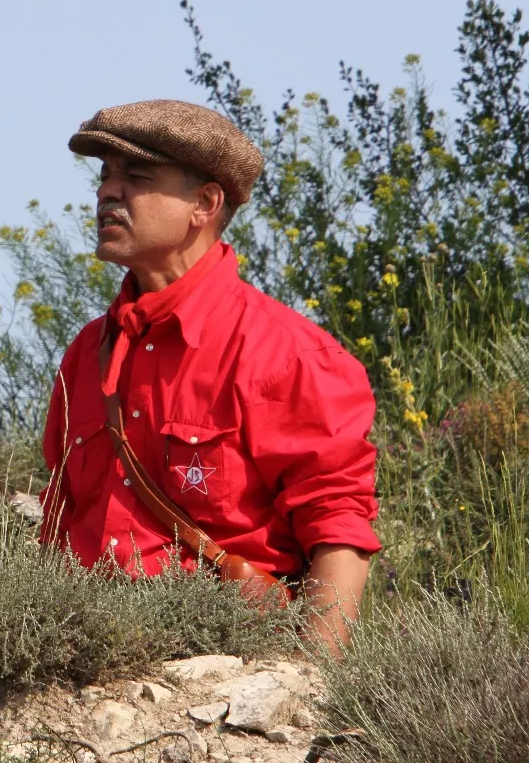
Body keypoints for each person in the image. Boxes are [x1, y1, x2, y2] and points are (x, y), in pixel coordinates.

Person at [38, 99, 379, 651]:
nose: (107, 192)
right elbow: (59, 521)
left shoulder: (286, 353)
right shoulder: (85, 354)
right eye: (105, 176)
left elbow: (337, 525)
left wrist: (310, 687)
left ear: (204, 202)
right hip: (73, 674)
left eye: (137, 177)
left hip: (217, 678)